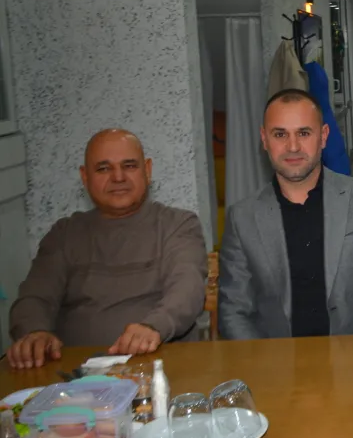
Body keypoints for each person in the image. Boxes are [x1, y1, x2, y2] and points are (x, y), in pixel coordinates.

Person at [8, 129, 208, 368]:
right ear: (85, 177)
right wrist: (34, 332)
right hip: (75, 374)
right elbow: (34, 297)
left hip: (159, 367)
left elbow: (187, 289)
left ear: (147, 170)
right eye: (103, 168)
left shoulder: (178, 224)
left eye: (129, 166)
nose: (118, 177)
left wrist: (154, 327)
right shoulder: (64, 234)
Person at [218, 89, 353, 339]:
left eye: (304, 133)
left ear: (323, 136)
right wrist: (260, 360)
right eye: (280, 134)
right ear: (264, 139)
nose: (293, 146)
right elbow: (233, 311)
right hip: (277, 359)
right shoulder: (242, 218)